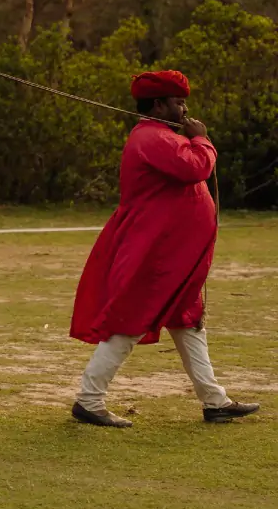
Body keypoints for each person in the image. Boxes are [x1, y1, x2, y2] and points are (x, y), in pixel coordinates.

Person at [69, 69, 259, 428]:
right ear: (158, 105)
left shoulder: (163, 135)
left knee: (188, 324)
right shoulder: (152, 138)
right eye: (177, 101)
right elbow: (196, 168)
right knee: (130, 322)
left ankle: (214, 401)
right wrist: (202, 139)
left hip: (173, 256)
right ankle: (89, 400)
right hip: (154, 254)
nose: (184, 108)